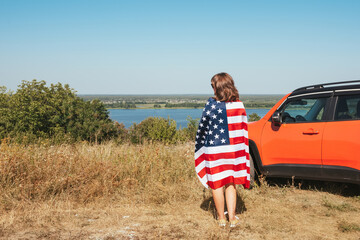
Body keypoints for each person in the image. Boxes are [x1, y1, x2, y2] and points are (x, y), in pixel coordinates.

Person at [194, 72, 250, 227]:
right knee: (231, 183)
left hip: (215, 151)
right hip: (234, 151)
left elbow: (203, 129)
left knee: (217, 183)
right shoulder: (239, 105)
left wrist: (200, 147)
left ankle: (221, 218)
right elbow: (243, 129)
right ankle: (232, 218)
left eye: (213, 86)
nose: (212, 90)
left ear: (218, 87)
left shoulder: (211, 105)